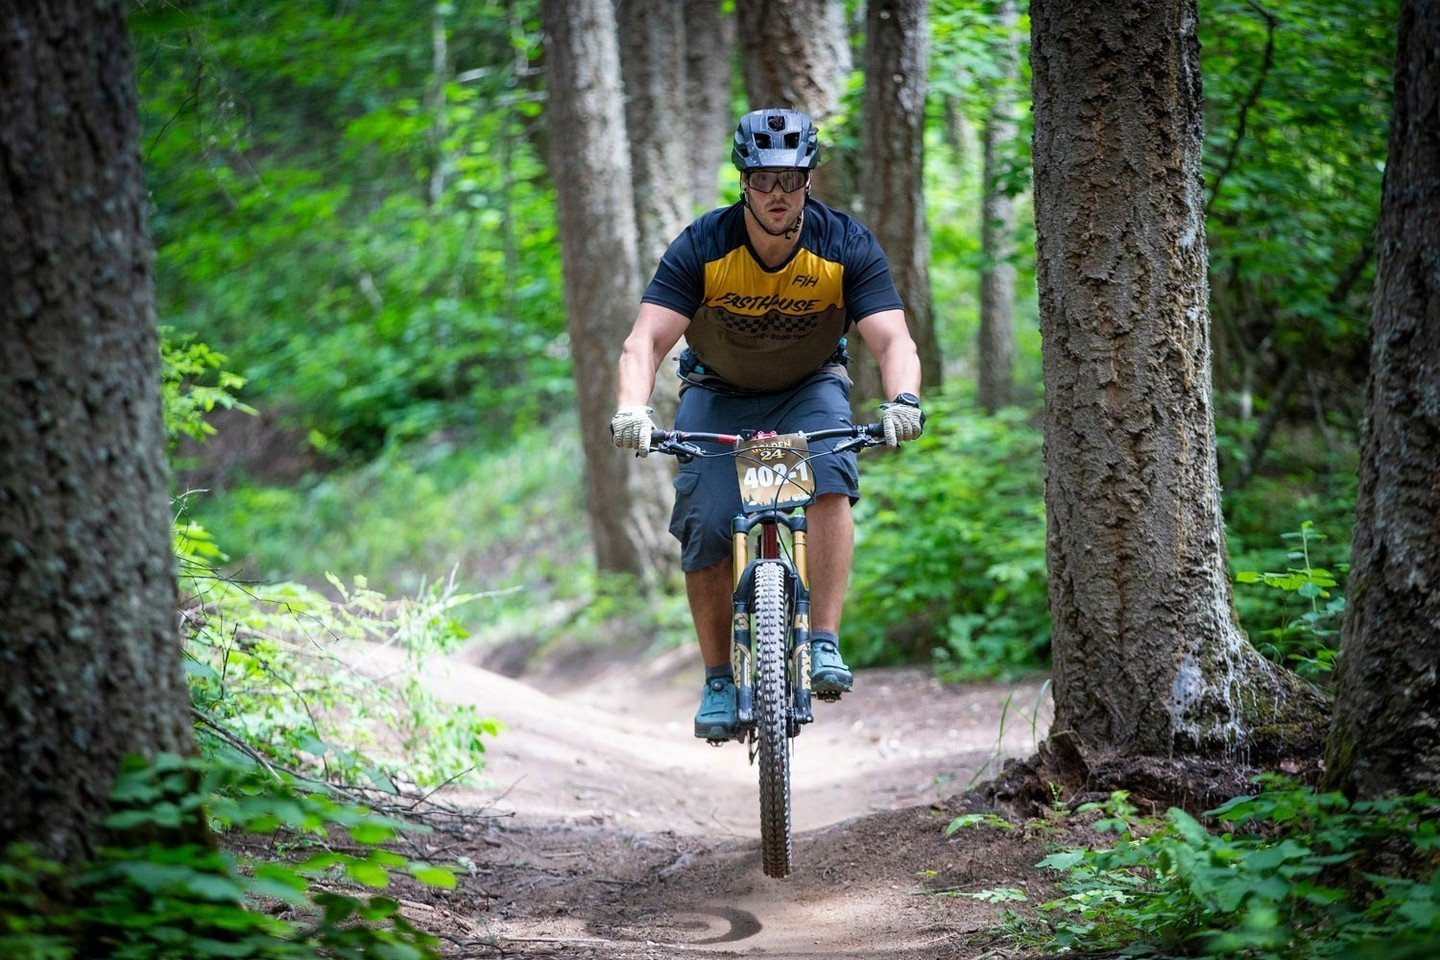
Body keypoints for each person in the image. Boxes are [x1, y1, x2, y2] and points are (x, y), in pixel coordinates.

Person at [609, 108, 925, 740]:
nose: (776, 194)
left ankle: (826, 641)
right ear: (743, 182)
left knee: (832, 473)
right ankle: (720, 679)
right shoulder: (704, 246)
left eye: (790, 179)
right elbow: (645, 340)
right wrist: (632, 409)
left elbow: (893, 340)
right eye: (762, 180)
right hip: (717, 393)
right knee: (703, 521)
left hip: (809, 389)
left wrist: (904, 400)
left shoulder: (844, 245)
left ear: (808, 180)